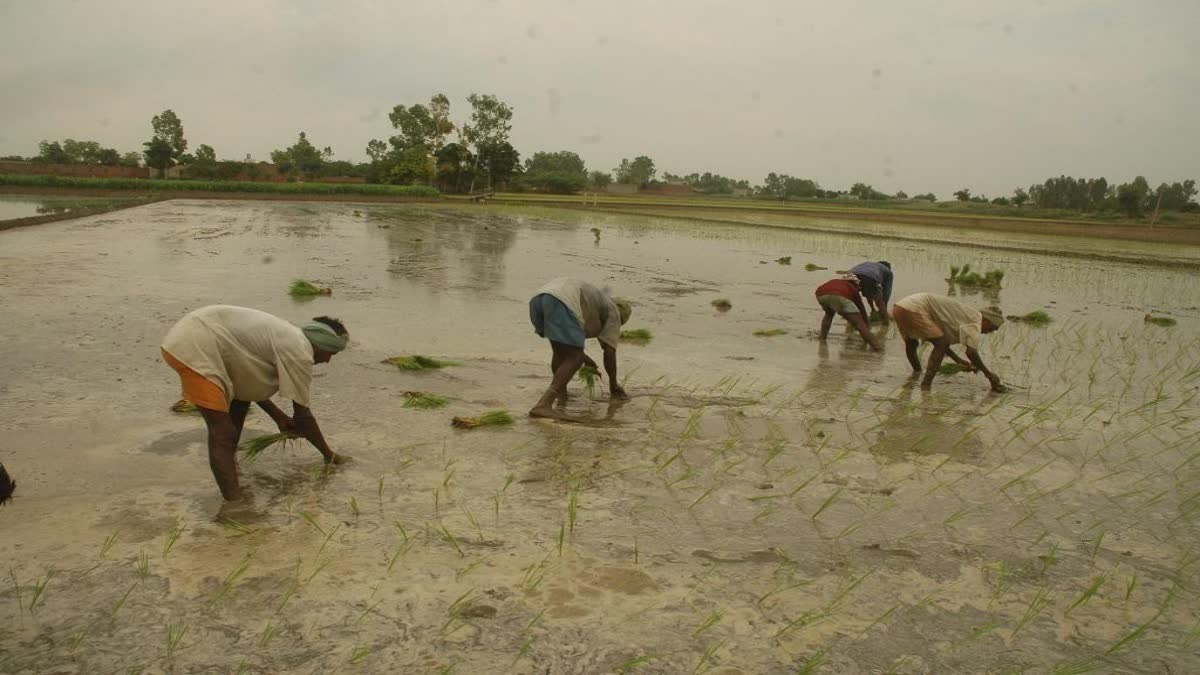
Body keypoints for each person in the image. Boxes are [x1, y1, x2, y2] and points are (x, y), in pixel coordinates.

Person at [161, 305, 349, 500]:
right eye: (331, 354)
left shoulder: (287, 336)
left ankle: (231, 471)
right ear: (321, 344)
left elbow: (250, 383)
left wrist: (279, 417)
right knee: (223, 432)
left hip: (200, 336)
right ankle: (234, 505)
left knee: (240, 404)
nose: (328, 361)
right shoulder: (299, 350)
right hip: (193, 345)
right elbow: (303, 416)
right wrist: (330, 456)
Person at [529, 277, 632, 418]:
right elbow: (609, 351)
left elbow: (566, 346)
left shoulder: (594, 304)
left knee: (559, 352)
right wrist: (614, 385)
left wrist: (586, 358)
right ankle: (543, 405)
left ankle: (561, 395)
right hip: (563, 300)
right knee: (575, 358)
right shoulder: (613, 311)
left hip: (540, 298)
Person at [891, 293, 1006, 392]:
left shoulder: (966, 316)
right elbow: (971, 353)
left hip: (899, 307)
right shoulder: (976, 322)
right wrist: (989, 374)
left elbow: (940, 341)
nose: (988, 332)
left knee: (912, 343)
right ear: (986, 320)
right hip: (915, 308)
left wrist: (958, 361)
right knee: (941, 343)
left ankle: (916, 373)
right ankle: (926, 384)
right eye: (991, 329)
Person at [815, 274, 882, 350]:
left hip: (821, 294)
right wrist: (867, 324)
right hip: (838, 295)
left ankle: (822, 338)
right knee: (859, 323)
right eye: (858, 287)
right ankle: (877, 347)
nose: (858, 289)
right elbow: (861, 309)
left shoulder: (835, 281)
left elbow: (828, 291)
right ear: (854, 283)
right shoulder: (852, 288)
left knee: (829, 314)